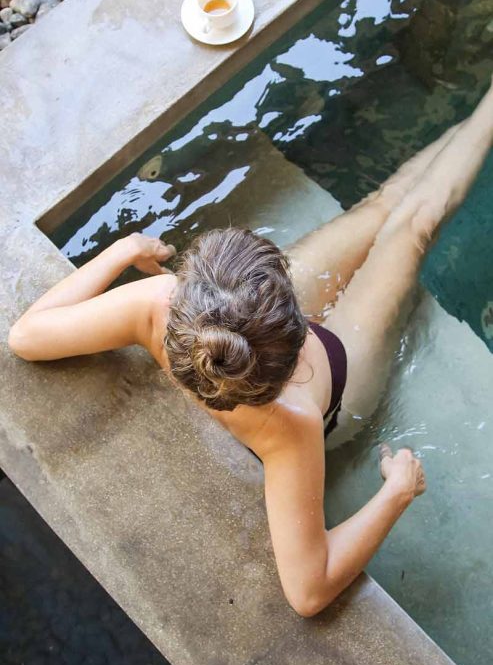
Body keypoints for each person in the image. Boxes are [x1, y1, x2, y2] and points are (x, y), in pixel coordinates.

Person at [9, 83, 493, 617]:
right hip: (339, 375)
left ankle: (481, 114)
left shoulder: (157, 302)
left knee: (383, 208)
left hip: (250, 327)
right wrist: (396, 493)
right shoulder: (293, 426)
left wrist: (121, 251)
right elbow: (308, 592)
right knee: (412, 225)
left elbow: (25, 336)